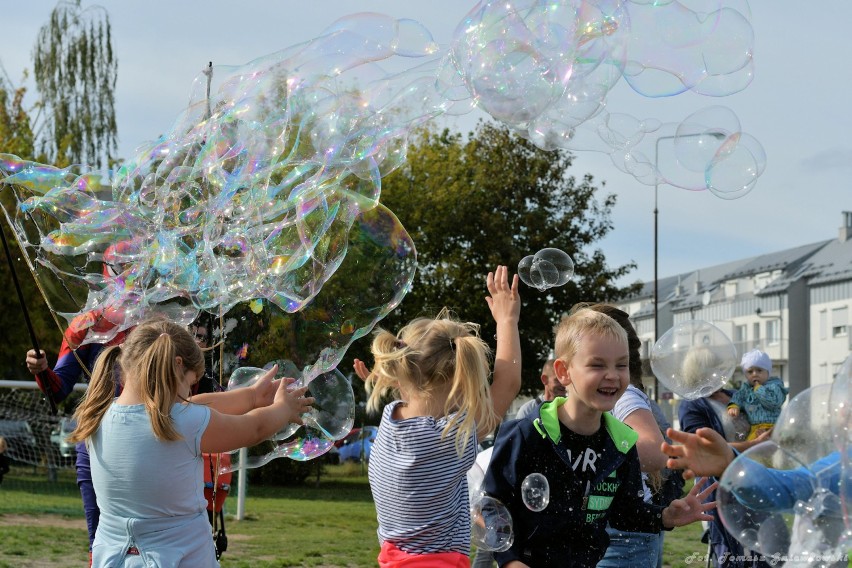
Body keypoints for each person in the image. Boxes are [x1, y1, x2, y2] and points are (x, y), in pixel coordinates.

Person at [66, 318, 314, 566]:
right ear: (177, 366)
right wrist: (283, 408)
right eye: (189, 383)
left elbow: (191, 406)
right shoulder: (183, 422)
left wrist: (250, 397)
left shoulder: (97, 417)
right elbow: (255, 428)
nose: (190, 393)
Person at [482, 308, 717, 568]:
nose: (613, 375)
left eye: (621, 365)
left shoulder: (621, 443)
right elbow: (493, 506)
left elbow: (625, 513)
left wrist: (665, 516)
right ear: (564, 371)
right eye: (597, 364)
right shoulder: (526, 435)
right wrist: (509, 561)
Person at [353, 265, 522, 567]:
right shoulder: (449, 438)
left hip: (392, 560)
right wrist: (507, 319)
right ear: (462, 384)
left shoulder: (391, 421)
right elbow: (508, 383)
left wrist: (385, 376)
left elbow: (411, 391)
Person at [584, 303, 677, 568]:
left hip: (621, 536)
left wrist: (588, 451)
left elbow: (654, 451)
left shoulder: (623, 395)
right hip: (613, 528)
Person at [678, 385, 774, 568]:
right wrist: (755, 444)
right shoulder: (692, 405)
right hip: (723, 488)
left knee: (766, 549)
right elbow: (704, 450)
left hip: (755, 480)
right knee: (729, 553)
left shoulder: (735, 395)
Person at [727, 349, 788, 440]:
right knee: (751, 448)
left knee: (776, 446)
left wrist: (759, 389)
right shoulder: (746, 388)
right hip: (755, 428)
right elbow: (738, 397)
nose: (755, 374)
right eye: (750, 372)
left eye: (759, 370)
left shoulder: (774, 386)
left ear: (768, 372)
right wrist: (734, 406)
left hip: (773, 427)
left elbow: (773, 403)